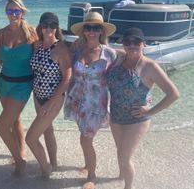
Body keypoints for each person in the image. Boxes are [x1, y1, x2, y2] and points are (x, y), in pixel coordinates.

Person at [106, 27, 179, 189]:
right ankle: (121, 175)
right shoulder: (120, 58)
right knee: (121, 151)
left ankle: (128, 187)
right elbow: (103, 47)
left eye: (136, 42)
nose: (131, 45)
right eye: (127, 42)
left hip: (137, 119)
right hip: (116, 116)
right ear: (123, 44)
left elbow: (173, 94)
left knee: (125, 158)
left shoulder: (150, 66)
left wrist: (150, 111)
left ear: (143, 44)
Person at [63, 12, 117, 189]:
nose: (91, 31)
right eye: (88, 27)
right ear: (83, 31)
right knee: (83, 136)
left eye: (96, 28)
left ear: (102, 31)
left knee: (86, 139)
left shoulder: (110, 53)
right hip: (77, 101)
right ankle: (88, 164)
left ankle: (92, 176)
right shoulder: (77, 49)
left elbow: (127, 68)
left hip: (96, 104)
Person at [26, 12, 71, 179]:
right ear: (40, 27)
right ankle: (54, 163)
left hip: (54, 99)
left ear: (57, 27)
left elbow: (67, 79)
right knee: (47, 130)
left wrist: (49, 103)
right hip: (37, 95)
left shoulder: (61, 49)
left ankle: (46, 170)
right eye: (45, 25)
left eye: (52, 25)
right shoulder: (36, 45)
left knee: (30, 138)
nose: (48, 29)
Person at [0, 0, 38, 176]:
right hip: (4, 83)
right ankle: (20, 151)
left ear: (22, 12)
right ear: (6, 12)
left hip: (23, 85)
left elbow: (41, 55)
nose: (13, 14)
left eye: (16, 11)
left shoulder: (31, 32)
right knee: (15, 119)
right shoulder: (1, 33)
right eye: (10, 11)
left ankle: (19, 161)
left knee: (2, 126)